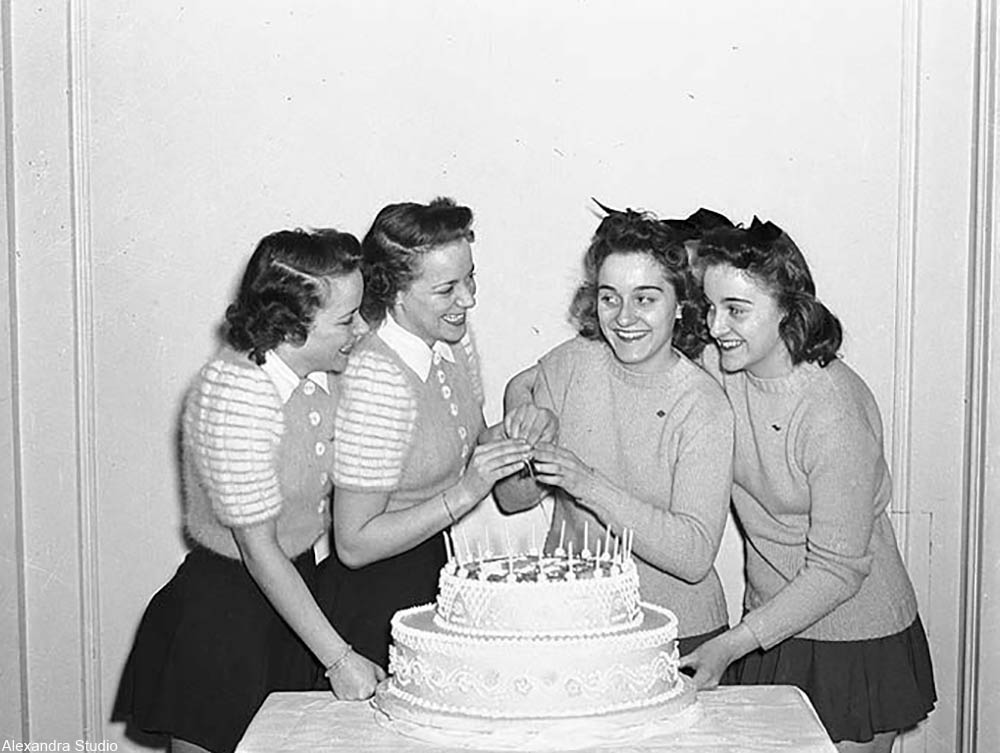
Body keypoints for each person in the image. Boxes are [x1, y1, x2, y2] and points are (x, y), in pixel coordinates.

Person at [113, 229, 384, 753]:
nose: (363, 329)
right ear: (290, 325)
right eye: (347, 319)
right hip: (225, 615)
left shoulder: (320, 372)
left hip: (294, 599)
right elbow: (259, 549)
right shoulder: (234, 395)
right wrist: (339, 658)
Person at [681, 219, 936, 752]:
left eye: (736, 309)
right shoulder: (723, 367)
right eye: (710, 306)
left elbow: (838, 569)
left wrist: (731, 645)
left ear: (789, 310)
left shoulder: (830, 408)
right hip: (771, 626)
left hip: (855, 634)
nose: (716, 325)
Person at [496, 205, 735, 655]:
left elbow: (694, 555)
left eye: (645, 299)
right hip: (572, 622)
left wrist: (585, 483)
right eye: (610, 298)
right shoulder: (572, 362)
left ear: (681, 303)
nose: (624, 317)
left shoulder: (702, 404)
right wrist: (526, 443)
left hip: (675, 632)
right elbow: (512, 499)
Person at [326, 197, 544, 668]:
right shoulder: (374, 379)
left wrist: (519, 439)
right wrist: (468, 490)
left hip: (435, 576)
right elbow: (353, 544)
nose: (468, 299)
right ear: (396, 293)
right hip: (372, 605)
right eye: (447, 289)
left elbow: (487, 470)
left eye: (470, 278)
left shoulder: (453, 342)